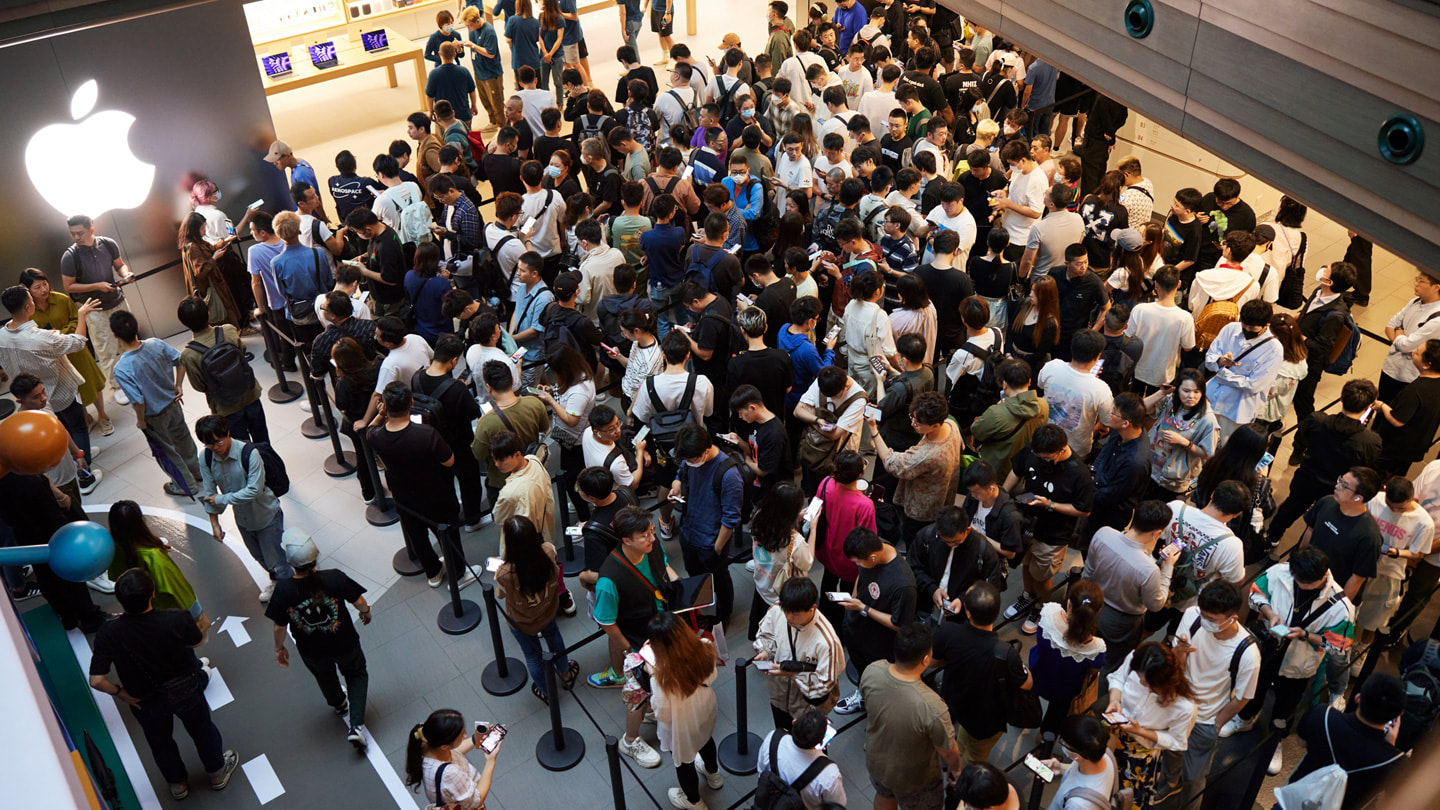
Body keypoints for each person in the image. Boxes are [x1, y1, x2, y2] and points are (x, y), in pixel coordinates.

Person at [89, 569, 239, 800]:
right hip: (186, 690)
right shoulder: (176, 618)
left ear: (120, 599)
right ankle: (217, 773)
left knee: (160, 742)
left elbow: (97, 680)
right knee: (202, 730)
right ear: (152, 594)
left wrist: (122, 694)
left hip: (145, 700)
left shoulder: (109, 632)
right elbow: (196, 641)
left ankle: (177, 784)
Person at [1231, 546, 1356, 776]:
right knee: (1254, 685)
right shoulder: (1279, 573)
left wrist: (1306, 635)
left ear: (1322, 577)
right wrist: (1270, 613)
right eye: (1296, 578)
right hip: (1267, 647)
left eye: (1305, 582)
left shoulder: (1342, 607)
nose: (1299, 584)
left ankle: (1276, 739)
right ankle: (1245, 718)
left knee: (1287, 702)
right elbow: (1255, 593)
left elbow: (1340, 645)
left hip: (1300, 662)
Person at [266, 531, 372, 750]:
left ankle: (339, 704)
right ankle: (356, 726)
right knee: (356, 674)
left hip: (311, 651)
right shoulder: (334, 577)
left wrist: (279, 648)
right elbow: (359, 601)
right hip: (345, 643)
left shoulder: (283, 590)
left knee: (324, 676)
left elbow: (279, 626)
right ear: (316, 557)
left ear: (289, 562)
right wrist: (365, 612)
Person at [589, 506, 673, 770]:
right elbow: (606, 621)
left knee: (657, 681)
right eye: (645, 535)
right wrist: (629, 651)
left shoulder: (652, 547)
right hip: (639, 642)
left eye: (651, 531)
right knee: (637, 692)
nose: (652, 538)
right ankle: (631, 739)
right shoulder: (609, 579)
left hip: (661, 627)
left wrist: (684, 590)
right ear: (626, 540)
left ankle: (650, 709)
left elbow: (665, 568)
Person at [367, 382, 465, 588]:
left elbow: (370, 429)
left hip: (403, 496)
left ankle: (433, 573)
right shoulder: (426, 434)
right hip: (436, 495)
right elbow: (449, 461)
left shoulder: (376, 437)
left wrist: (380, 415)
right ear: (411, 402)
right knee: (448, 535)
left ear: (384, 405)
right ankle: (458, 573)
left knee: (417, 537)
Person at [0, 285, 101, 481]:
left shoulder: (2, 335)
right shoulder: (39, 338)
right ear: (29, 307)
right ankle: (85, 474)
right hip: (58, 392)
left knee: (57, 428)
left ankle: (76, 454)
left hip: (32, 397)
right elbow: (79, 342)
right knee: (77, 427)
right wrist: (82, 315)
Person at [1174, 580, 1261, 806]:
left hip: (1205, 721)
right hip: (1175, 705)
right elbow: (1175, 663)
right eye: (1204, 615)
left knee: (1194, 779)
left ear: (1233, 617)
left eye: (1212, 619)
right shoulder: (1193, 616)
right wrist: (1180, 652)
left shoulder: (1248, 653)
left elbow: (1242, 697)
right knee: (1167, 760)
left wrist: (1216, 724)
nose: (1205, 622)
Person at [1003, 423, 1095, 634]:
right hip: (1026, 524)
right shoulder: (1033, 450)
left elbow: (1084, 510)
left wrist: (1050, 505)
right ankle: (1027, 598)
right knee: (1026, 564)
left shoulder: (1079, 474)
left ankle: (1040, 608)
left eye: (1047, 458)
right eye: (1039, 456)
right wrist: (1003, 495)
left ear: (1062, 449)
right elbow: (1017, 470)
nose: (1042, 460)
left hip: (1054, 534)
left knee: (1042, 575)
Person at [859, 623, 962, 810]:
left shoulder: (873, 670)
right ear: (925, 659)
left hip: (876, 761)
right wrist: (956, 770)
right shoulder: (932, 706)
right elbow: (948, 750)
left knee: (883, 795)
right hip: (915, 780)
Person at [1268, 379, 1382, 546]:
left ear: (1342, 398)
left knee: (1291, 507)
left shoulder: (1316, 420)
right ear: (1367, 408)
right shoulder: (1371, 442)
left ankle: (1272, 537)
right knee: (1323, 519)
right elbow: (1365, 468)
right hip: (1338, 488)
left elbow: (1300, 440)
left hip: (1307, 476)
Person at [932, 582, 1034, 768]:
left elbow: (933, 661)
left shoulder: (947, 632)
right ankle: (961, 781)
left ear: (968, 613)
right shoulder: (1005, 653)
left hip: (956, 703)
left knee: (962, 740)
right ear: (996, 613)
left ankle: (955, 764)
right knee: (975, 757)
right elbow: (1027, 683)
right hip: (985, 719)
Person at [194, 413, 290, 604]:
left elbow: (253, 490)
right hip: (244, 519)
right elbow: (209, 490)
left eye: (218, 442)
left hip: (266, 515)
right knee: (259, 556)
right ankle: (279, 580)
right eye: (209, 445)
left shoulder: (249, 453)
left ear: (228, 433)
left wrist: (222, 498)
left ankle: (290, 592)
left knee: (276, 561)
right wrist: (214, 523)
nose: (215, 449)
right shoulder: (206, 457)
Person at [110, 309, 203, 496]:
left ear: (115, 335)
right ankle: (198, 472)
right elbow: (180, 359)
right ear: (137, 327)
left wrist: (140, 421)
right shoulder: (155, 344)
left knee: (168, 451)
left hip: (154, 416)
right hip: (173, 404)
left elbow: (138, 400)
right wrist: (178, 385)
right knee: (184, 439)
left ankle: (186, 486)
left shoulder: (121, 368)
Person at [1083, 501, 1178, 678]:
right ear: (1157, 533)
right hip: (1121, 621)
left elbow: (1088, 572)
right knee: (1110, 664)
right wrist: (1168, 568)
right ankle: (1093, 700)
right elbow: (1156, 604)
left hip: (1091, 602)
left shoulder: (1103, 534)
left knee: (1083, 647)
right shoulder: (1149, 569)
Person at [1284, 673, 1407, 810]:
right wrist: (1389, 747)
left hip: (1295, 802)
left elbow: (1301, 742)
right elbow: (1392, 798)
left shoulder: (1323, 715)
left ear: (1358, 697)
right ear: (1399, 715)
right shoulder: (1395, 763)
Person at [642, 612, 722, 810]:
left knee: (684, 763)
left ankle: (694, 801)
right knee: (706, 740)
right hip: (705, 709)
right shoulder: (705, 646)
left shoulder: (661, 678)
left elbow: (663, 714)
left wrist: (653, 673)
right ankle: (714, 776)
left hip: (681, 726)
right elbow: (712, 677)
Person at [834, 527, 918, 715]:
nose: (858, 565)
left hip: (879, 643)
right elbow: (862, 573)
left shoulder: (903, 585)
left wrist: (863, 608)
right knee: (861, 669)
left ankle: (873, 702)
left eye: (858, 562)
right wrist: (856, 595)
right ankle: (862, 693)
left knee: (876, 677)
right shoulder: (874, 548)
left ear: (872, 558)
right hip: (857, 627)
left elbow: (899, 624)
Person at [20, 267, 112, 435]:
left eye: (45, 284)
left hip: (75, 350)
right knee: (71, 389)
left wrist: (59, 333)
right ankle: (86, 418)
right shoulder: (28, 310)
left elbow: (76, 319)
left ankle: (103, 415)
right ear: (28, 290)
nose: (43, 290)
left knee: (91, 382)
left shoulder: (61, 299)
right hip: (53, 357)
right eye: (37, 287)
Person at [1104, 642, 1196, 809]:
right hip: (1112, 734)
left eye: (1147, 682)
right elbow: (1117, 678)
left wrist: (1141, 731)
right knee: (1099, 785)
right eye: (1139, 678)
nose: (1142, 683)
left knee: (1126, 799)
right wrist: (1115, 700)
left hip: (1140, 751)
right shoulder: (1136, 658)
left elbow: (1176, 742)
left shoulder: (1184, 706)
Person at [495, 516, 578, 701]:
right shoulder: (548, 551)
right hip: (548, 611)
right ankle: (565, 673)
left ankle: (546, 691)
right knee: (555, 638)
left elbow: (500, 595)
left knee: (532, 655)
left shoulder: (505, 573)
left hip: (522, 621)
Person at [870, 391, 965, 547]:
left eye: (918, 422)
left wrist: (874, 430)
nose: (913, 423)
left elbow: (891, 462)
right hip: (942, 498)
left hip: (921, 511)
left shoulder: (926, 456)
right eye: (912, 417)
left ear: (935, 425)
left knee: (915, 542)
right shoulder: (950, 424)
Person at [668, 424, 742, 624]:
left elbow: (731, 518)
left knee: (720, 580)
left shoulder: (729, 474)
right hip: (689, 531)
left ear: (706, 450)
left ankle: (723, 615)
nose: (689, 462)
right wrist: (676, 486)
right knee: (694, 575)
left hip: (711, 541)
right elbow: (681, 473)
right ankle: (699, 612)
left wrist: (717, 549)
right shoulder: (690, 459)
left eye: (691, 459)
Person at [413, 335, 487, 529]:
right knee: (469, 482)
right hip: (459, 444)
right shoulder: (456, 389)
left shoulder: (416, 379)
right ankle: (472, 519)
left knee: (443, 481)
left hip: (430, 442)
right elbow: (472, 412)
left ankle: (452, 516)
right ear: (454, 361)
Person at [61, 214, 134, 405]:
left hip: (117, 301)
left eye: (80, 233)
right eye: (72, 234)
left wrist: (126, 275)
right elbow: (68, 286)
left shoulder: (108, 243)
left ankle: (134, 377)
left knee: (128, 343)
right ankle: (117, 386)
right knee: (106, 351)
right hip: (94, 309)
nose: (76, 237)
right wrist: (96, 285)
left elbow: (120, 265)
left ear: (91, 230)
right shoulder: (70, 256)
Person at [177, 296, 269, 444]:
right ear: (208, 313)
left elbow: (199, 386)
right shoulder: (228, 330)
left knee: (242, 448)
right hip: (250, 393)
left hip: (225, 407)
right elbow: (242, 351)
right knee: (263, 440)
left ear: (184, 323)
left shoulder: (188, 355)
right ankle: (272, 465)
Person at [1029, 580, 1107, 733]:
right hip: (1064, 690)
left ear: (1069, 603)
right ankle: (1044, 743)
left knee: (1029, 696)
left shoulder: (1049, 614)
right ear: (1098, 611)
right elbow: (1095, 669)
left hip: (1038, 671)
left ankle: (1025, 716)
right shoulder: (1096, 647)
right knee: (1054, 718)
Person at [1204, 300, 1284, 444]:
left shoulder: (1274, 350)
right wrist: (1220, 361)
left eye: (1252, 328)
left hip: (1235, 412)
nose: (1246, 330)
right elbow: (1209, 359)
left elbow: (1254, 385)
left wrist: (1222, 372)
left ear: (1267, 325)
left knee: (1225, 450)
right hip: (1210, 398)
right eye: (1244, 325)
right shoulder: (1230, 329)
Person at [106, 500, 202, 620]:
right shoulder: (154, 556)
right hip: (169, 613)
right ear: (140, 523)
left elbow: (115, 576)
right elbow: (178, 590)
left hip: (142, 612)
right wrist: (196, 614)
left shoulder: (113, 548)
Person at [746, 482, 815, 640]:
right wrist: (814, 529)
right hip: (781, 594)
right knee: (780, 636)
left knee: (761, 629)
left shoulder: (758, 517)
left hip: (762, 584)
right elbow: (808, 562)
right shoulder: (793, 540)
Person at [1294, 261, 1357, 420]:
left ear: (1330, 282)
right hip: (1295, 352)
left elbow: (1321, 347)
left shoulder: (1335, 316)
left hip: (1309, 364)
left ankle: (1307, 435)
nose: (1321, 269)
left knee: (1303, 402)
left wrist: (1300, 337)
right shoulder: (1318, 291)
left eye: (1326, 270)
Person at [1141, 368, 1217, 501]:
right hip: (1150, 469)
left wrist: (1184, 442)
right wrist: (1161, 393)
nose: (1191, 396)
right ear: (1177, 389)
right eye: (1186, 391)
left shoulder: (1207, 419)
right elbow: (1141, 409)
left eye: (1196, 392)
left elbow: (1208, 454)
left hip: (1173, 480)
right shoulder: (1170, 401)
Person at [1037, 329, 1114, 457]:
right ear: (1097, 357)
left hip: (1043, 439)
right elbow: (1107, 423)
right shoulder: (1101, 389)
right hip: (1076, 449)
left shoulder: (1051, 366)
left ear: (1072, 349)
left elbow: (1040, 385)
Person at [405, 709, 502, 809]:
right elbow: (476, 801)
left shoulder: (426, 745)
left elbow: (454, 752)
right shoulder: (451, 774)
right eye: (461, 735)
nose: (465, 736)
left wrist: (475, 739)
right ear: (444, 746)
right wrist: (490, 761)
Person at [755, 708, 846, 809]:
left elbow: (761, 770)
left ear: (795, 722)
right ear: (821, 742)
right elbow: (837, 804)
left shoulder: (773, 738)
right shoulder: (829, 774)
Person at [970, 358, 1049, 474]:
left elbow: (976, 431)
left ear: (1004, 384)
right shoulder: (1043, 405)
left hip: (997, 469)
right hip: (1024, 467)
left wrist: (999, 407)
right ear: (1029, 382)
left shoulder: (996, 413)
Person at [1374, 339, 1440, 476]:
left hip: (1396, 447)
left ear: (1427, 364)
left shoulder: (1414, 391)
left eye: (1418, 352)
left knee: (1377, 475)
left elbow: (1398, 420)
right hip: (1417, 444)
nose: (1413, 351)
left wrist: (1382, 406)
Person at [1126, 266, 1194, 394]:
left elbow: (1127, 336)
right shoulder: (1185, 318)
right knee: (1156, 409)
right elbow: (1188, 347)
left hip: (1138, 369)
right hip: (1164, 375)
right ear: (1178, 284)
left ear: (1156, 284)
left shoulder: (1140, 309)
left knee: (1133, 405)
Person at [1090, 392, 1151, 533]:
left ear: (1126, 423)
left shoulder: (1135, 462)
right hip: (1098, 493)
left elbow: (1114, 495)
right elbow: (1103, 455)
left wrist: (1086, 493)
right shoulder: (1120, 433)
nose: (1109, 415)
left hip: (1109, 514)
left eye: (1113, 413)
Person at [492, 430, 560, 554]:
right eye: (495, 459)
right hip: (544, 529)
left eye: (502, 460)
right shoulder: (533, 460)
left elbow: (499, 518)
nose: (497, 464)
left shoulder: (509, 493)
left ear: (517, 454)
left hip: (525, 542)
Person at [177, 210, 247, 331]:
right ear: (195, 229)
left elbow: (212, 247)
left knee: (224, 317)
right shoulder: (193, 247)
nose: (204, 231)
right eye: (202, 228)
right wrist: (214, 259)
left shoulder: (196, 243)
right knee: (223, 318)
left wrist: (226, 240)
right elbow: (200, 272)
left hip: (215, 286)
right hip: (211, 288)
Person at [1037, 716, 1118, 810]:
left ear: (1077, 756)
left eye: (1063, 743)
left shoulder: (1079, 805)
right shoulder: (1105, 754)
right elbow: (1082, 775)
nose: (1063, 745)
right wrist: (1061, 768)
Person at [1007, 274, 1062, 374]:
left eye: (1035, 292)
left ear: (1045, 296)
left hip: (1029, 365)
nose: (1031, 294)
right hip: (1011, 356)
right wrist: (1008, 354)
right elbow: (1010, 329)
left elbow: (1041, 353)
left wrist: (1019, 362)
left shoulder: (1050, 323)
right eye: (1031, 290)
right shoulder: (1025, 304)